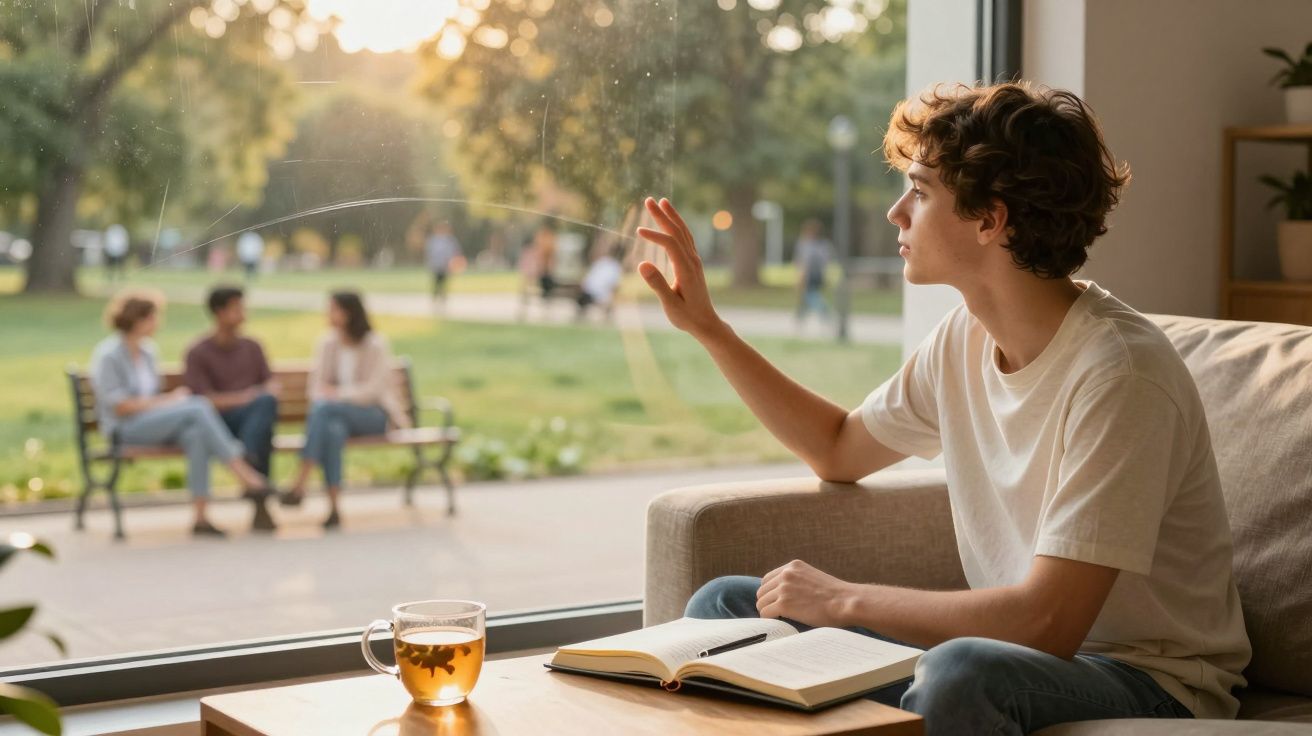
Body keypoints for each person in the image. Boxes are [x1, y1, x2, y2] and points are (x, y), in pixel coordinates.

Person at [634, 82, 1249, 735]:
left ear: (990, 220)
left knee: (959, 672)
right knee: (727, 609)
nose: (896, 212)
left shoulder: (1121, 374)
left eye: (920, 192)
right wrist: (710, 329)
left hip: (1148, 679)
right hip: (1010, 656)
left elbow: (1048, 623)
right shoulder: (963, 338)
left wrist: (843, 601)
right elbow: (838, 449)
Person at [90, 291, 273, 537]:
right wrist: (168, 401)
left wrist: (167, 402)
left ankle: (200, 518)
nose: (158, 323)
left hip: (151, 423)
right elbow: (120, 406)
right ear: (138, 319)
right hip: (124, 428)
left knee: (196, 434)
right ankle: (243, 470)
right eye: (154, 317)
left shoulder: (148, 352)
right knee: (197, 405)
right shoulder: (109, 355)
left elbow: (151, 396)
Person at [279, 291, 411, 529]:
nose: (327, 314)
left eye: (333, 309)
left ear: (349, 312)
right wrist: (332, 397)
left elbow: (373, 392)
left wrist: (337, 395)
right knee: (333, 431)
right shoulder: (327, 343)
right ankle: (334, 509)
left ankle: (300, 480)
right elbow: (315, 388)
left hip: (373, 416)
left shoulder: (375, 343)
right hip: (337, 416)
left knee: (325, 409)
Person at [183, 286, 280, 532]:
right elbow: (202, 401)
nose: (244, 315)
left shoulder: (252, 347)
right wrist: (245, 397)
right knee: (261, 429)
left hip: (252, 422)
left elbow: (269, 385)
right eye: (237, 309)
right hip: (215, 425)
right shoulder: (198, 351)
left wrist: (263, 393)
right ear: (219, 312)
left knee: (264, 412)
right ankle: (255, 486)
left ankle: (248, 457)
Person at [793, 219, 832, 322]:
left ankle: (822, 308)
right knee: (806, 295)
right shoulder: (823, 245)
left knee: (809, 294)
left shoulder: (806, 245)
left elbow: (803, 262)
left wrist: (801, 276)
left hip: (809, 274)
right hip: (818, 273)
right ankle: (800, 316)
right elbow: (825, 261)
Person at [575, 243, 623, 321]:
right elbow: (614, 285)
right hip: (598, 294)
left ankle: (581, 316)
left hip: (589, 291)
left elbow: (588, 279)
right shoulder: (615, 266)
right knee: (609, 301)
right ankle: (606, 318)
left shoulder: (601, 262)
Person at [424, 222, 464, 304]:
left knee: (444, 281)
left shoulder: (450, 240)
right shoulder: (433, 240)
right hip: (436, 264)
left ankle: (443, 296)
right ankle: (435, 296)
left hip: (446, 265)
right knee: (436, 281)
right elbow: (429, 252)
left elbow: (455, 251)